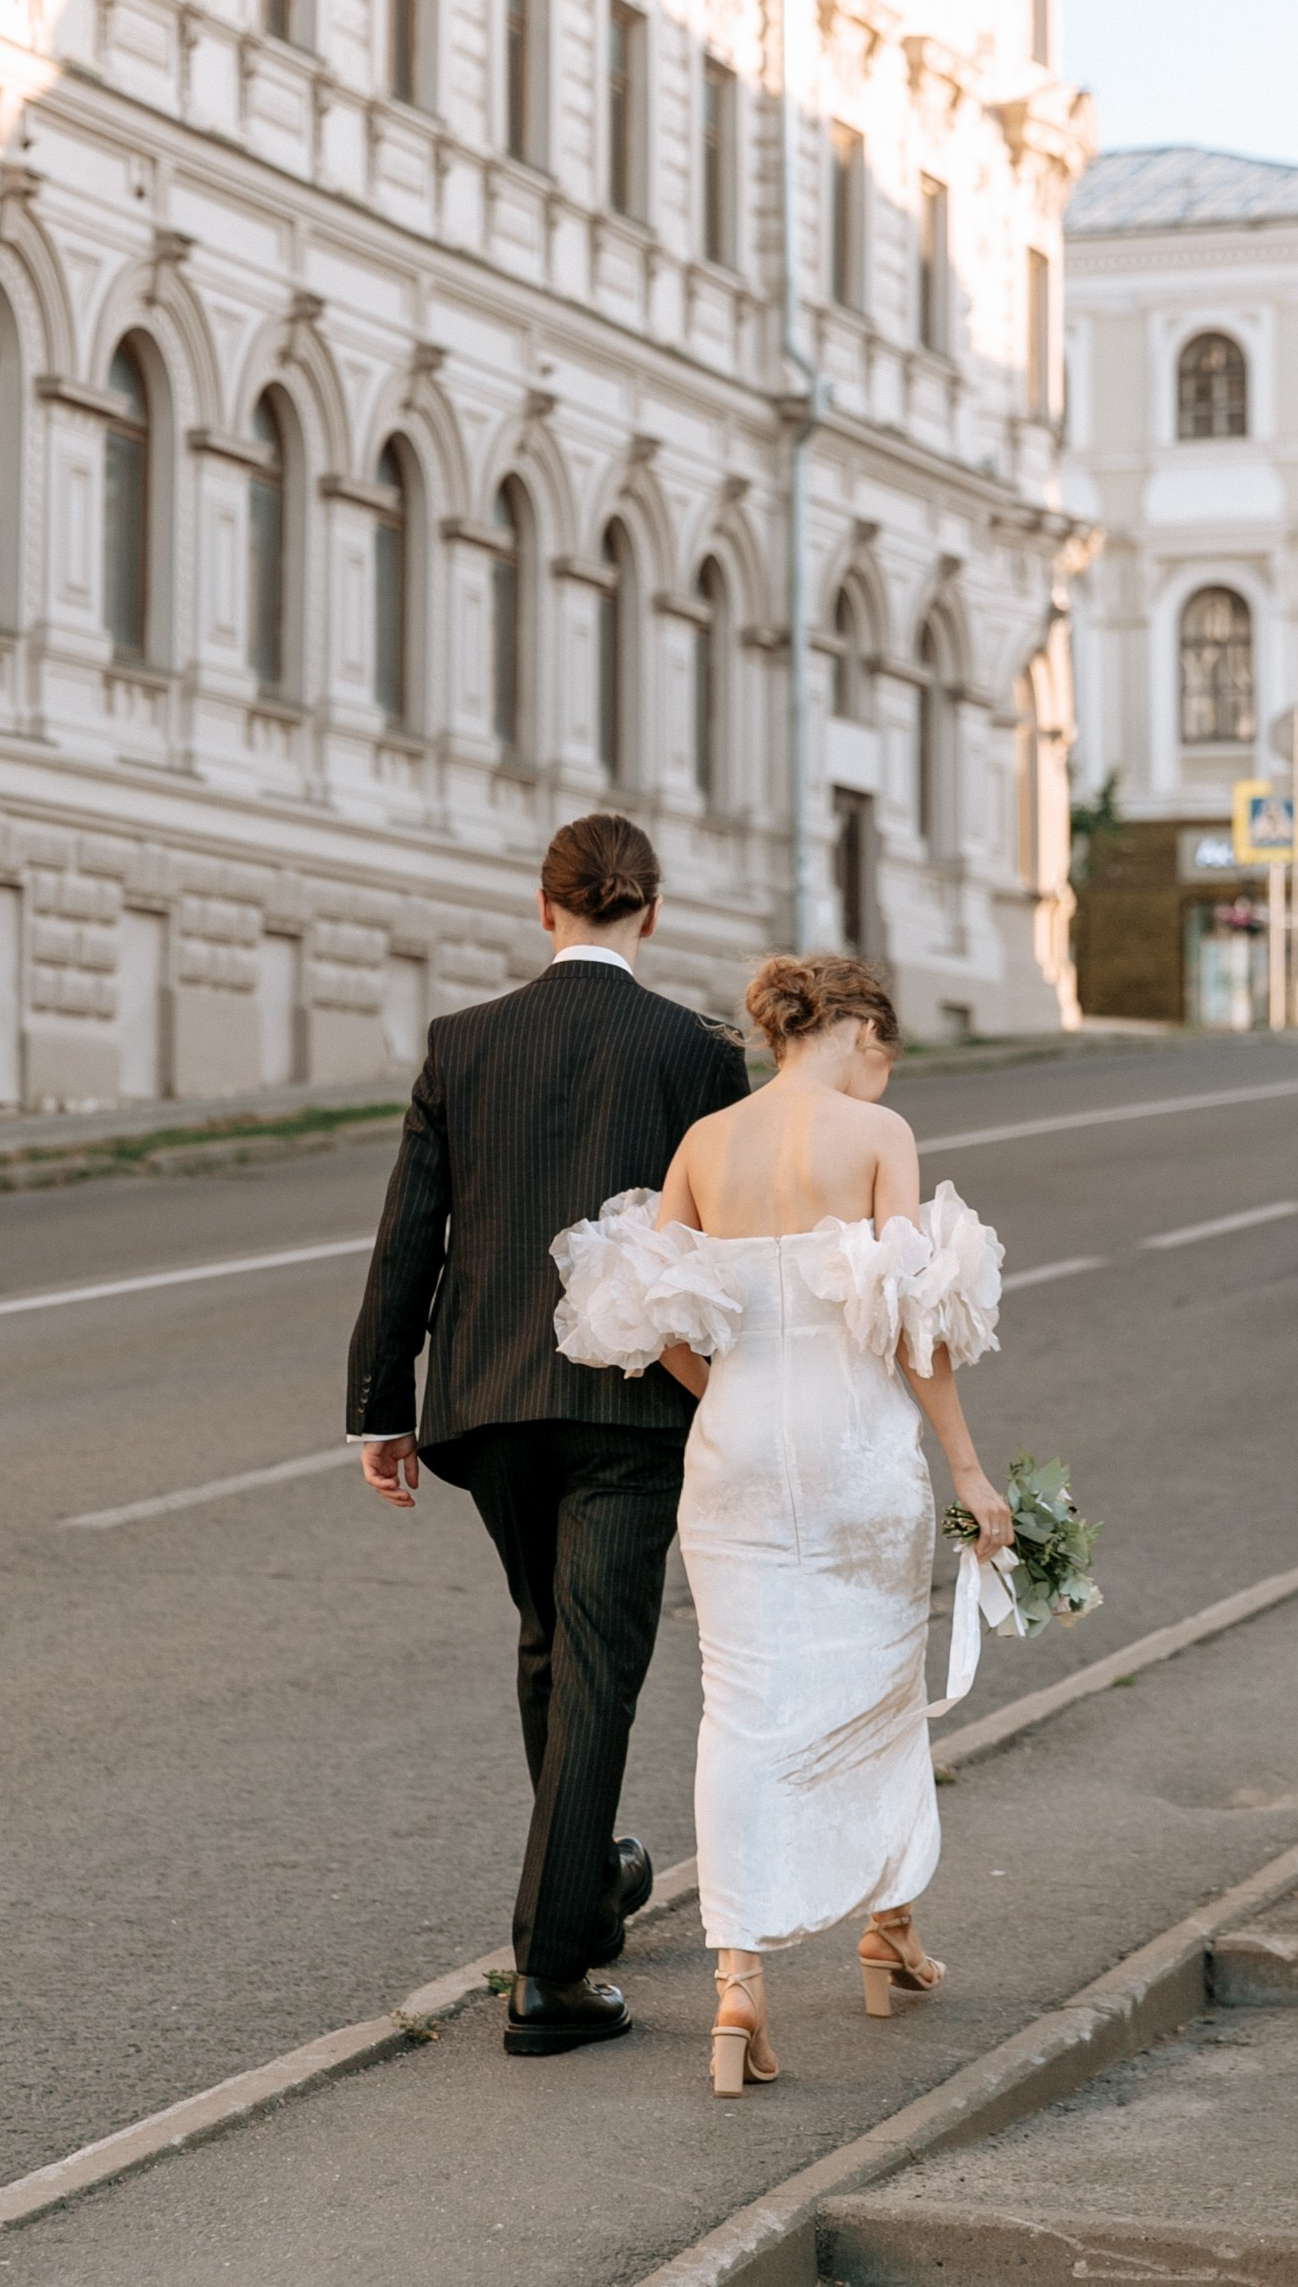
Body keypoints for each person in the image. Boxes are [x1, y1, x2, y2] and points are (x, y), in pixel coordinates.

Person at [552, 951, 1014, 2098]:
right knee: (876, 1684)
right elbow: (915, 1328)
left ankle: (738, 1985)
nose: (881, 1072)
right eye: (884, 1051)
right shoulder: (875, 1135)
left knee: (740, 1703)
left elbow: (647, 1306)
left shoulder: (705, 1143)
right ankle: (884, 1925)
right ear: (857, 1030)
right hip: (855, 1448)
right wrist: (968, 1470)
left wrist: (723, 1398)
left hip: (736, 1451)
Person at [346, 814, 749, 2056]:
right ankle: (551, 1972)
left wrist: (382, 1403)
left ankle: (586, 1889)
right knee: (594, 1665)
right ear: (652, 912)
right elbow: (726, 1250)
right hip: (629, 1401)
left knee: (549, 1639)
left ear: (542, 908)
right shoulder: (694, 1052)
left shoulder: (463, 1044)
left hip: (488, 1403)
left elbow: (412, 1229)